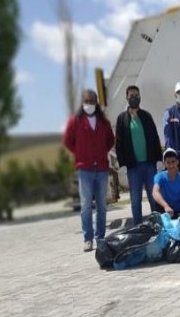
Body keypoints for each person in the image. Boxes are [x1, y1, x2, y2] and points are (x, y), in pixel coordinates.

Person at [63, 89, 115, 252]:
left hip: (101, 168)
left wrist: (100, 153)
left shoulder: (103, 122)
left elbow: (110, 140)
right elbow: (68, 141)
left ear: (96, 103)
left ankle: (100, 237)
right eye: (87, 101)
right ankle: (88, 238)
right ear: (82, 102)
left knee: (102, 205)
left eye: (92, 101)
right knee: (86, 205)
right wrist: (80, 153)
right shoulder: (75, 121)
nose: (89, 104)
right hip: (84, 168)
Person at [115, 85, 162, 225]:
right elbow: (119, 143)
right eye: (131, 96)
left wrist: (159, 159)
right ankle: (138, 228)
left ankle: (158, 224)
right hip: (133, 166)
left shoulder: (146, 116)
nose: (134, 98)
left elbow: (155, 137)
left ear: (140, 97)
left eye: (136, 95)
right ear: (127, 98)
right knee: (135, 200)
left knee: (153, 196)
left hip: (149, 164)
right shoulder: (122, 119)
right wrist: (122, 163)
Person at [153, 148, 180, 218]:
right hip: (164, 210)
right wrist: (166, 206)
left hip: (178, 212)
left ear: (177, 162)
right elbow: (155, 192)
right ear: (164, 164)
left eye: (173, 162)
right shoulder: (159, 176)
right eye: (168, 162)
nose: (171, 165)